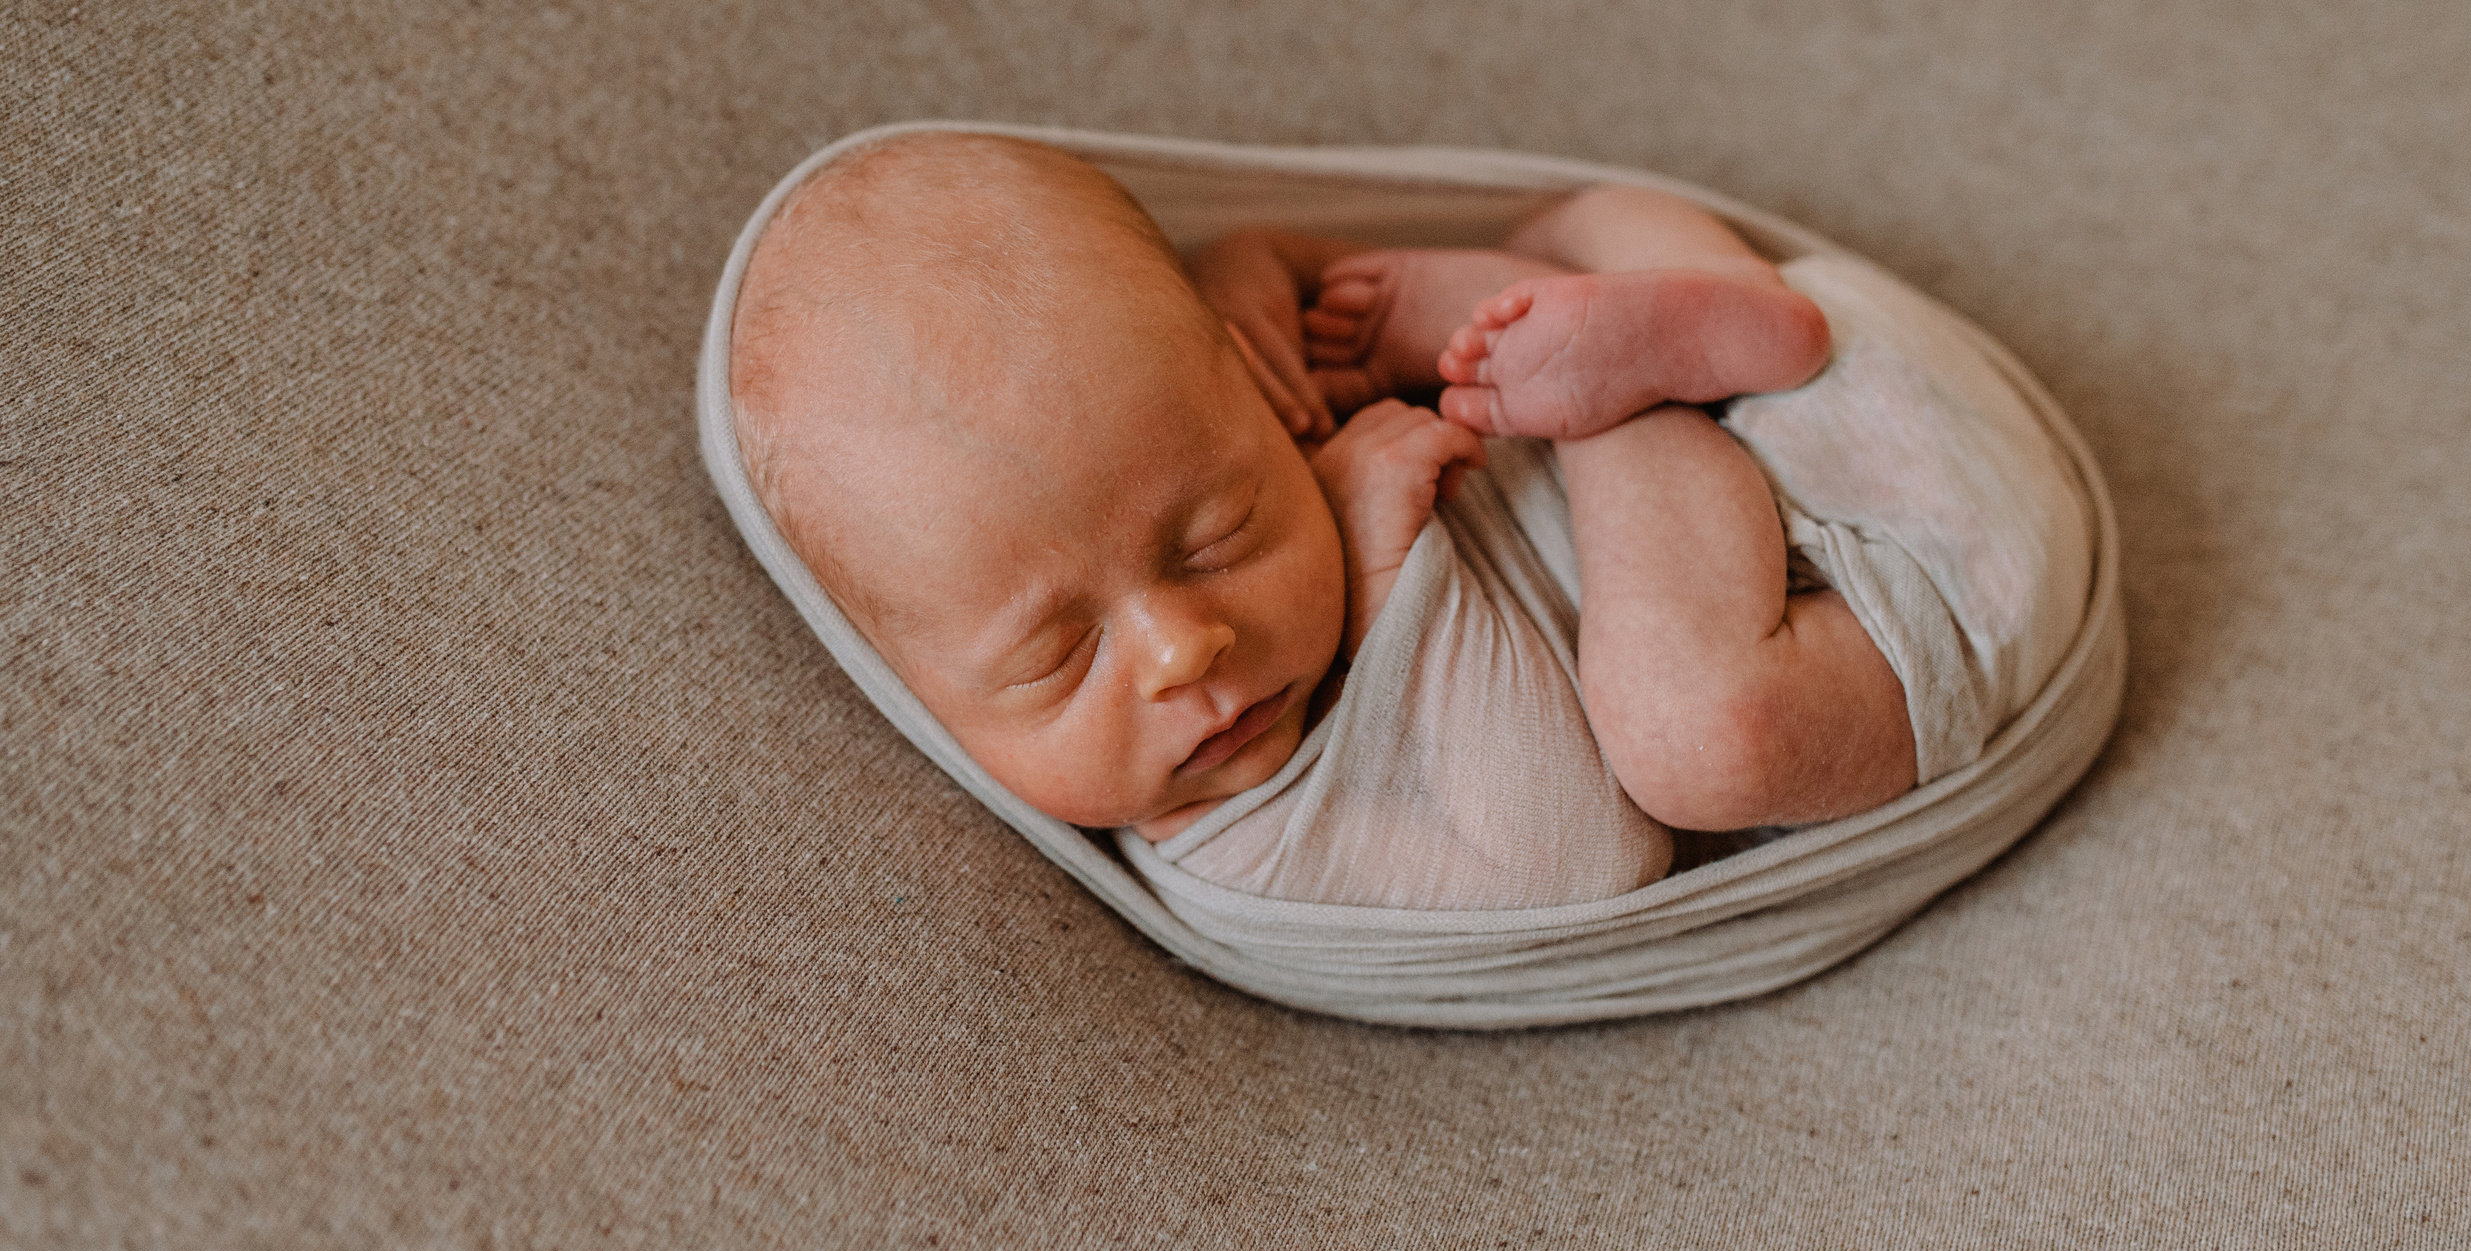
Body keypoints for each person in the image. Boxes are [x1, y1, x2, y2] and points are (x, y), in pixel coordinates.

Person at [726, 132, 1921, 911]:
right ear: (911, 695)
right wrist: (1383, 569)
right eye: (1056, 655)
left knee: (1490, 267)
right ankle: (1628, 361)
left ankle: (1641, 291)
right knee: (1700, 740)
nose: (1181, 650)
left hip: (1810, 413)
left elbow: (1243, 310)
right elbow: (1580, 858)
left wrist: (1260, 276)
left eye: (1214, 537)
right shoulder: (1239, 844)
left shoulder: (1215, 421)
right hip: (1845, 608)